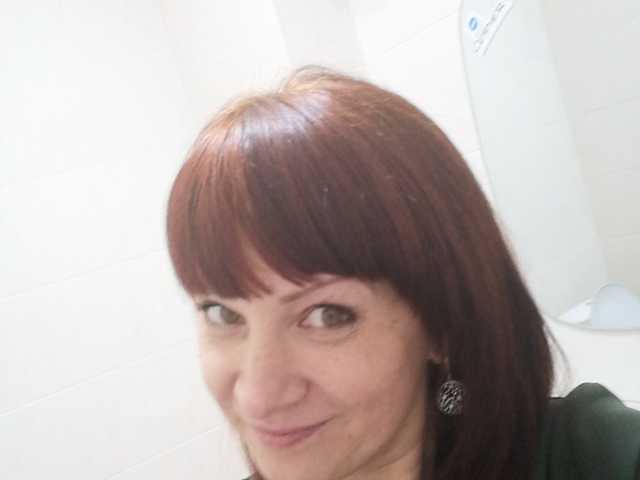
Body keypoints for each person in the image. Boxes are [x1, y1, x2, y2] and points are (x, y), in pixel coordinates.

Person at [165, 66, 640, 480]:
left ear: (441, 323)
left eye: (327, 315)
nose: (258, 395)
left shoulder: (588, 457)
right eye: (222, 314)